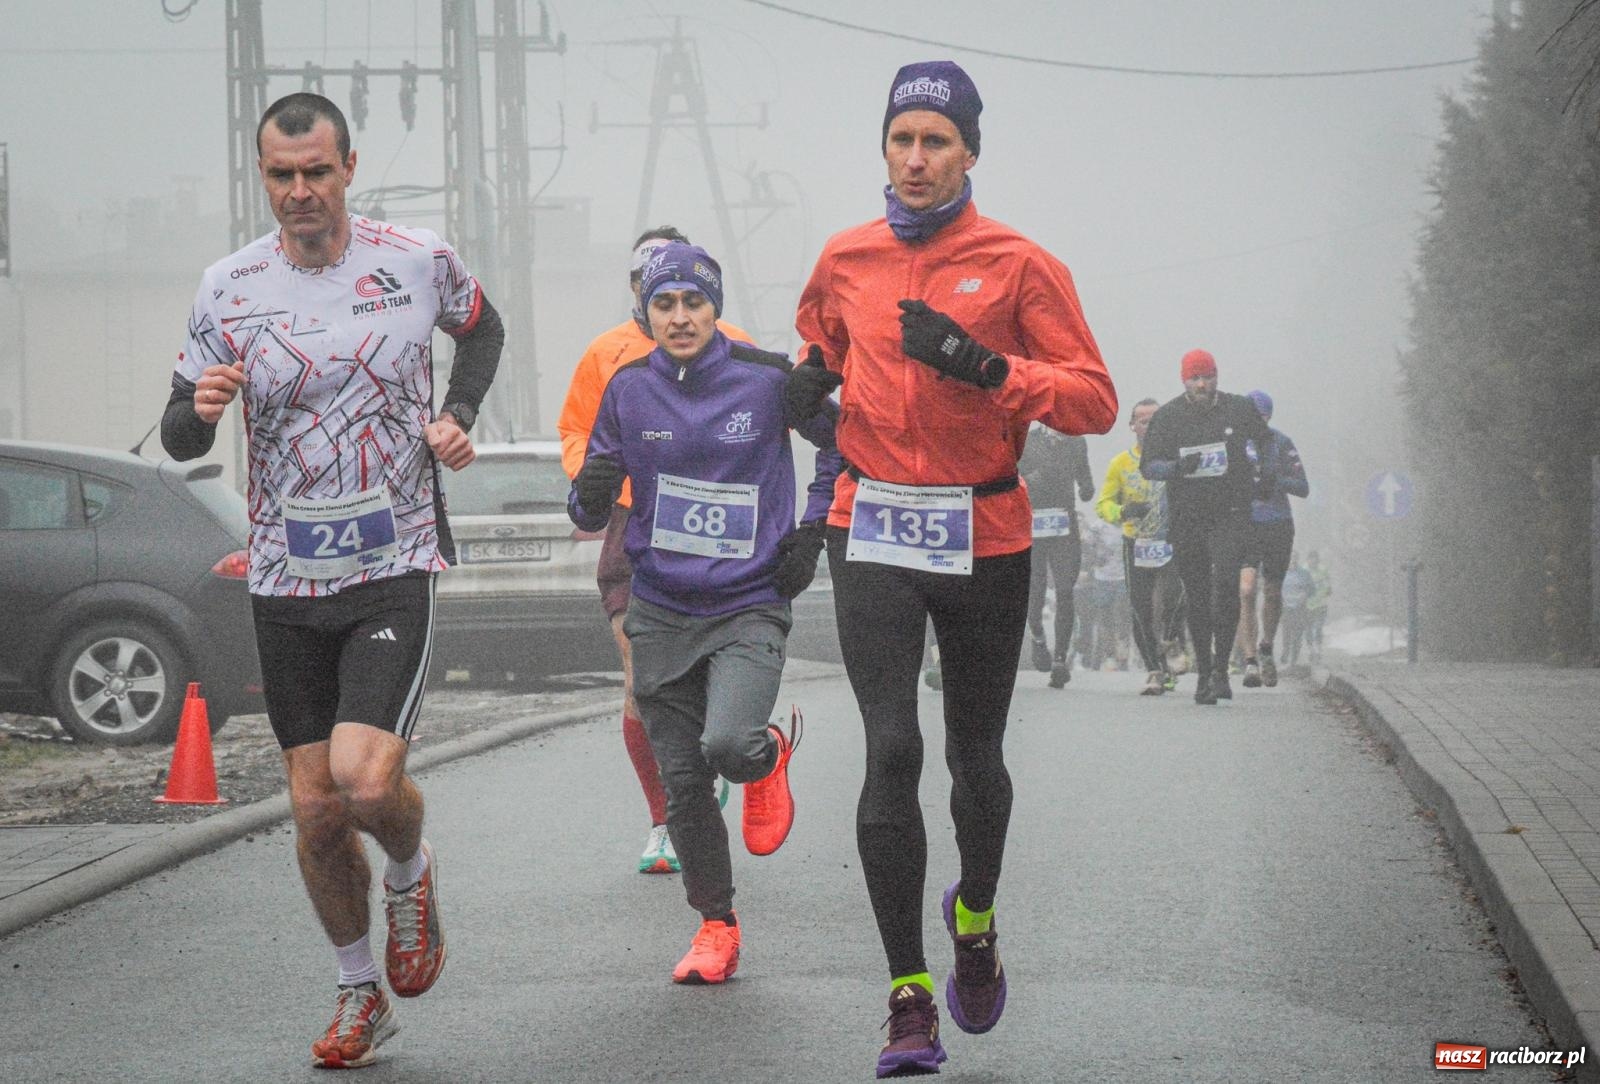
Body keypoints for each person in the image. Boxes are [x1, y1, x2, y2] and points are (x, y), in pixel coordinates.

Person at [160, 93, 503, 1069]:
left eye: (317, 171)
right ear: (263, 177)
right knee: (314, 808)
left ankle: (410, 868)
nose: (301, 190)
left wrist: (458, 414)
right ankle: (360, 991)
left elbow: (483, 331)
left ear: (349, 167)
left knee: (364, 779)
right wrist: (203, 408)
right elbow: (178, 431)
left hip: (393, 556)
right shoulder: (229, 286)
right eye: (282, 175)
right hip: (284, 572)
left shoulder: (415, 259)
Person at [789, 60, 1116, 1077]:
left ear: (970, 151)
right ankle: (907, 996)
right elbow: (819, 354)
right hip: (873, 524)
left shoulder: (1020, 264)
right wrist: (803, 394)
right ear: (884, 149)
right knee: (892, 749)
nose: (917, 158)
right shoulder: (845, 257)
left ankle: (973, 916)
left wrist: (985, 367)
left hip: (985, 531)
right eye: (902, 140)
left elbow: (1094, 401)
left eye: (936, 141)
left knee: (976, 761)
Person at [569, 241, 841, 985]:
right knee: (684, 784)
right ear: (646, 313)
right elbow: (587, 505)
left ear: (715, 307)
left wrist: (813, 529)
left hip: (749, 599)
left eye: (694, 302)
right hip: (660, 607)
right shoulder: (628, 389)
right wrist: (590, 492)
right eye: (664, 304)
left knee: (727, 744)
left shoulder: (766, 379)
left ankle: (765, 755)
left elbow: (843, 445)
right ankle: (715, 925)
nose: (680, 317)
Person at [556, 226, 751, 875]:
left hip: (719, 528)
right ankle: (665, 817)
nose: (672, 309)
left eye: (685, 292)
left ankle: (715, 758)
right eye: (651, 287)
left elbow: (771, 429)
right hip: (634, 523)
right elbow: (576, 430)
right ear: (636, 288)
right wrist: (601, 476)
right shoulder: (606, 353)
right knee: (641, 678)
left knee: (713, 686)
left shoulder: (737, 346)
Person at [1140, 349, 1274, 705]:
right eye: (1195, 378)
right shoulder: (1168, 416)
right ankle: (1204, 674)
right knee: (1198, 595)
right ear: (1184, 380)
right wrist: (1177, 467)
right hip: (1188, 516)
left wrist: (1264, 472)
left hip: (1230, 512)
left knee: (1227, 586)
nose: (1202, 384)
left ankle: (1220, 670)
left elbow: (1265, 440)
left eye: (1208, 377)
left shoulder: (1238, 408)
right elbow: (1149, 466)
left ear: (1217, 377)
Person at [1095, 397, 1181, 696]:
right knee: (1140, 608)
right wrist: (1123, 511)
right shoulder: (1120, 464)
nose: (1150, 426)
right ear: (1133, 426)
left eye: (1155, 420)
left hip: (1171, 541)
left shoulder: (1176, 458)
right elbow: (1103, 504)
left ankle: (1171, 643)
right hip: (1137, 542)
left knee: (1175, 599)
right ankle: (1155, 670)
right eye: (1143, 421)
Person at [1235, 390, 1309, 689]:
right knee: (1246, 590)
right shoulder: (1234, 443)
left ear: (1268, 417)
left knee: (1272, 590)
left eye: (1261, 416)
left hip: (1277, 523)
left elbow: (1302, 487)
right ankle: (1249, 660)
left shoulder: (1281, 442)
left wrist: (1275, 481)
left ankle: (1266, 646)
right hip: (1245, 523)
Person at [1017, 426, 1095, 687]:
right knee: (1035, 591)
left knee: (1065, 589)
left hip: (1064, 524)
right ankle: (1038, 636)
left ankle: (1060, 659)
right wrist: (1033, 478)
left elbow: (1085, 477)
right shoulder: (1026, 438)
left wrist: (1086, 488)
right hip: (1032, 523)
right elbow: (1011, 477)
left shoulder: (1076, 441)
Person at [1280, 550, 1312, 667]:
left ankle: (1294, 658)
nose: (1292, 560)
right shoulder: (1281, 573)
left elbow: (1312, 589)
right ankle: (1285, 652)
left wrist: (1305, 593)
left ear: (1297, 559)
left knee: (1298, 633)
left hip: (1300, 608)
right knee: (1286, 632)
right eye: (1290, 558)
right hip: (1285, 608)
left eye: (1294, 558)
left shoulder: (1304, 573)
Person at [1305, 549, 1332, 663]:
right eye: (1311, 559)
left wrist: (1328, 589)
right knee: (1308, 628)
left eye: (1315, 559)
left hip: (1321, 604)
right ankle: (1311, 650)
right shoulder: (1303, 570)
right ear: (1308, 560)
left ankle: (1319, 650)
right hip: (1307, 605)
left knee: (1319, 627)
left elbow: (1328, 584)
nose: (1313, 561)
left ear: (1318, 560)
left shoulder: (1323, 570)